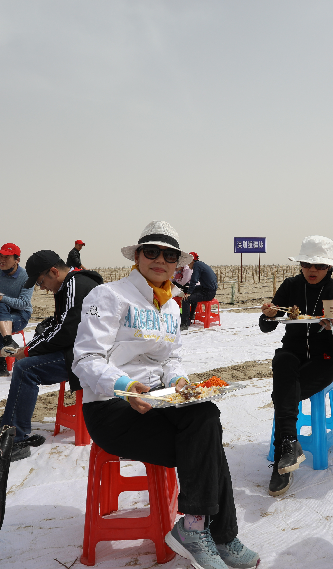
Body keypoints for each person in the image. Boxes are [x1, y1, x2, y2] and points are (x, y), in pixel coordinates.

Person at [72, 221, 259, 569]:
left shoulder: (171, 305)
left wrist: (181, 382)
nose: (160, 260)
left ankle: (199, 528)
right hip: (112, 409)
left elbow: (170, 359)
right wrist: (125, 386)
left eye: (169, 255)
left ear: (177, 264)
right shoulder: (108, 295)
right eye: (152, 252)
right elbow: (86, 358)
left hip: (158, 401)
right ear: (138, 256)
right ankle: (215, 533)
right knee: (206, 445)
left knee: (206, 415)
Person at [259, 236, 333, 497]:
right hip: (292, 354)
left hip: (323, 361)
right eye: (306, 264)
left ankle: (282, 460)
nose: (312, 270)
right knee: (282, 361)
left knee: (283, 394)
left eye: (319, 265)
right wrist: (269, 315)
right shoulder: (290, 286)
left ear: (329, 267)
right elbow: (266, 326)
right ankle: (289, 447)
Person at [0, 251, 102, 461]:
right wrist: (28, 349)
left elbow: (66, 330)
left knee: (25, 368)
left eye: (41, 282)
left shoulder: (74, 285)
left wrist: (28, 351)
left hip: (89, 355)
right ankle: (9, 423)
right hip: (80, 349)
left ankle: (16, 439)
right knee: (26, 361)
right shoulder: (70, 284)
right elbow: (58, 325)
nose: (42, 288)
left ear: (53, 272)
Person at [0, 243, 33, 377]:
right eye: (1, 256)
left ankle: (2, 364)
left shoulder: (26, 277)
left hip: (20, 315)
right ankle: (9, 343)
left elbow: (23, 304)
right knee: (0, 307)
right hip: (1, 312)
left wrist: (2, 298)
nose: (2, 260)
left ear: (17, 260)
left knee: (0, 307)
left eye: (6, 257)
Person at [180, 252, 218, 330]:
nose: (187, 265)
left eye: (188, 263)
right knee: (189, 290)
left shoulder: (197, 266)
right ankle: (191, 316)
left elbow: (194, 280)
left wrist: (189, 293)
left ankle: (185, 323)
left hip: (208, 293)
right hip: (209, 289)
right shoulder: (200, 264)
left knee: (186, 299)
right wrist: (189, 290)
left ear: (191, 261)